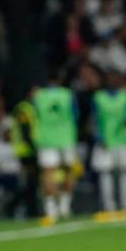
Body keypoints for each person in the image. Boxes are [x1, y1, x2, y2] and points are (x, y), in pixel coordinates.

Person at [91, 70, 126, 214]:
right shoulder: (98, 97)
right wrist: (99, 137)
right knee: (105, 174)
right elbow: (94, 119)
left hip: (123, 139)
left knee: (125, 172)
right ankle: (109, 206)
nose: (112, 81)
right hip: (105, 141)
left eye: (115, 78)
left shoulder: (125, 96)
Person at [31, 79, 78, 221]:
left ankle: (51, 209)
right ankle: (65, 207)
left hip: (46, 138)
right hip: (66, 137)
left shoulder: (37, 96)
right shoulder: (68, 95)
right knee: (68, 170)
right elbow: (76, 115)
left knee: (48, 172)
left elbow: (34, 115)